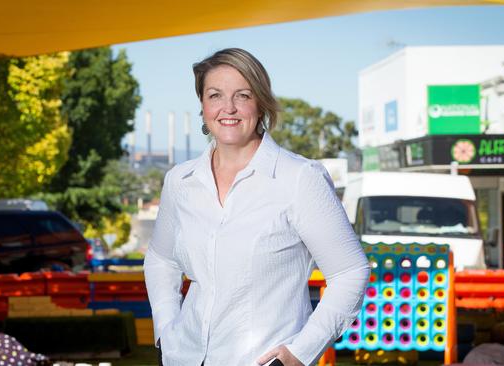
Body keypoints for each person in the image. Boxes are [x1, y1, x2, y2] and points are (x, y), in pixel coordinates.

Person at [143, 48, 370, 366]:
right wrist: (166, 332)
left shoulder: (300, 179)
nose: (228, 108)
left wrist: (300, 353)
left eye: (243, 95)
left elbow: (350, 272)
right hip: (185, 356)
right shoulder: (180, 181)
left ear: (261, 102)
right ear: (203, 106)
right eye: (215, 95)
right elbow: (160, 260)